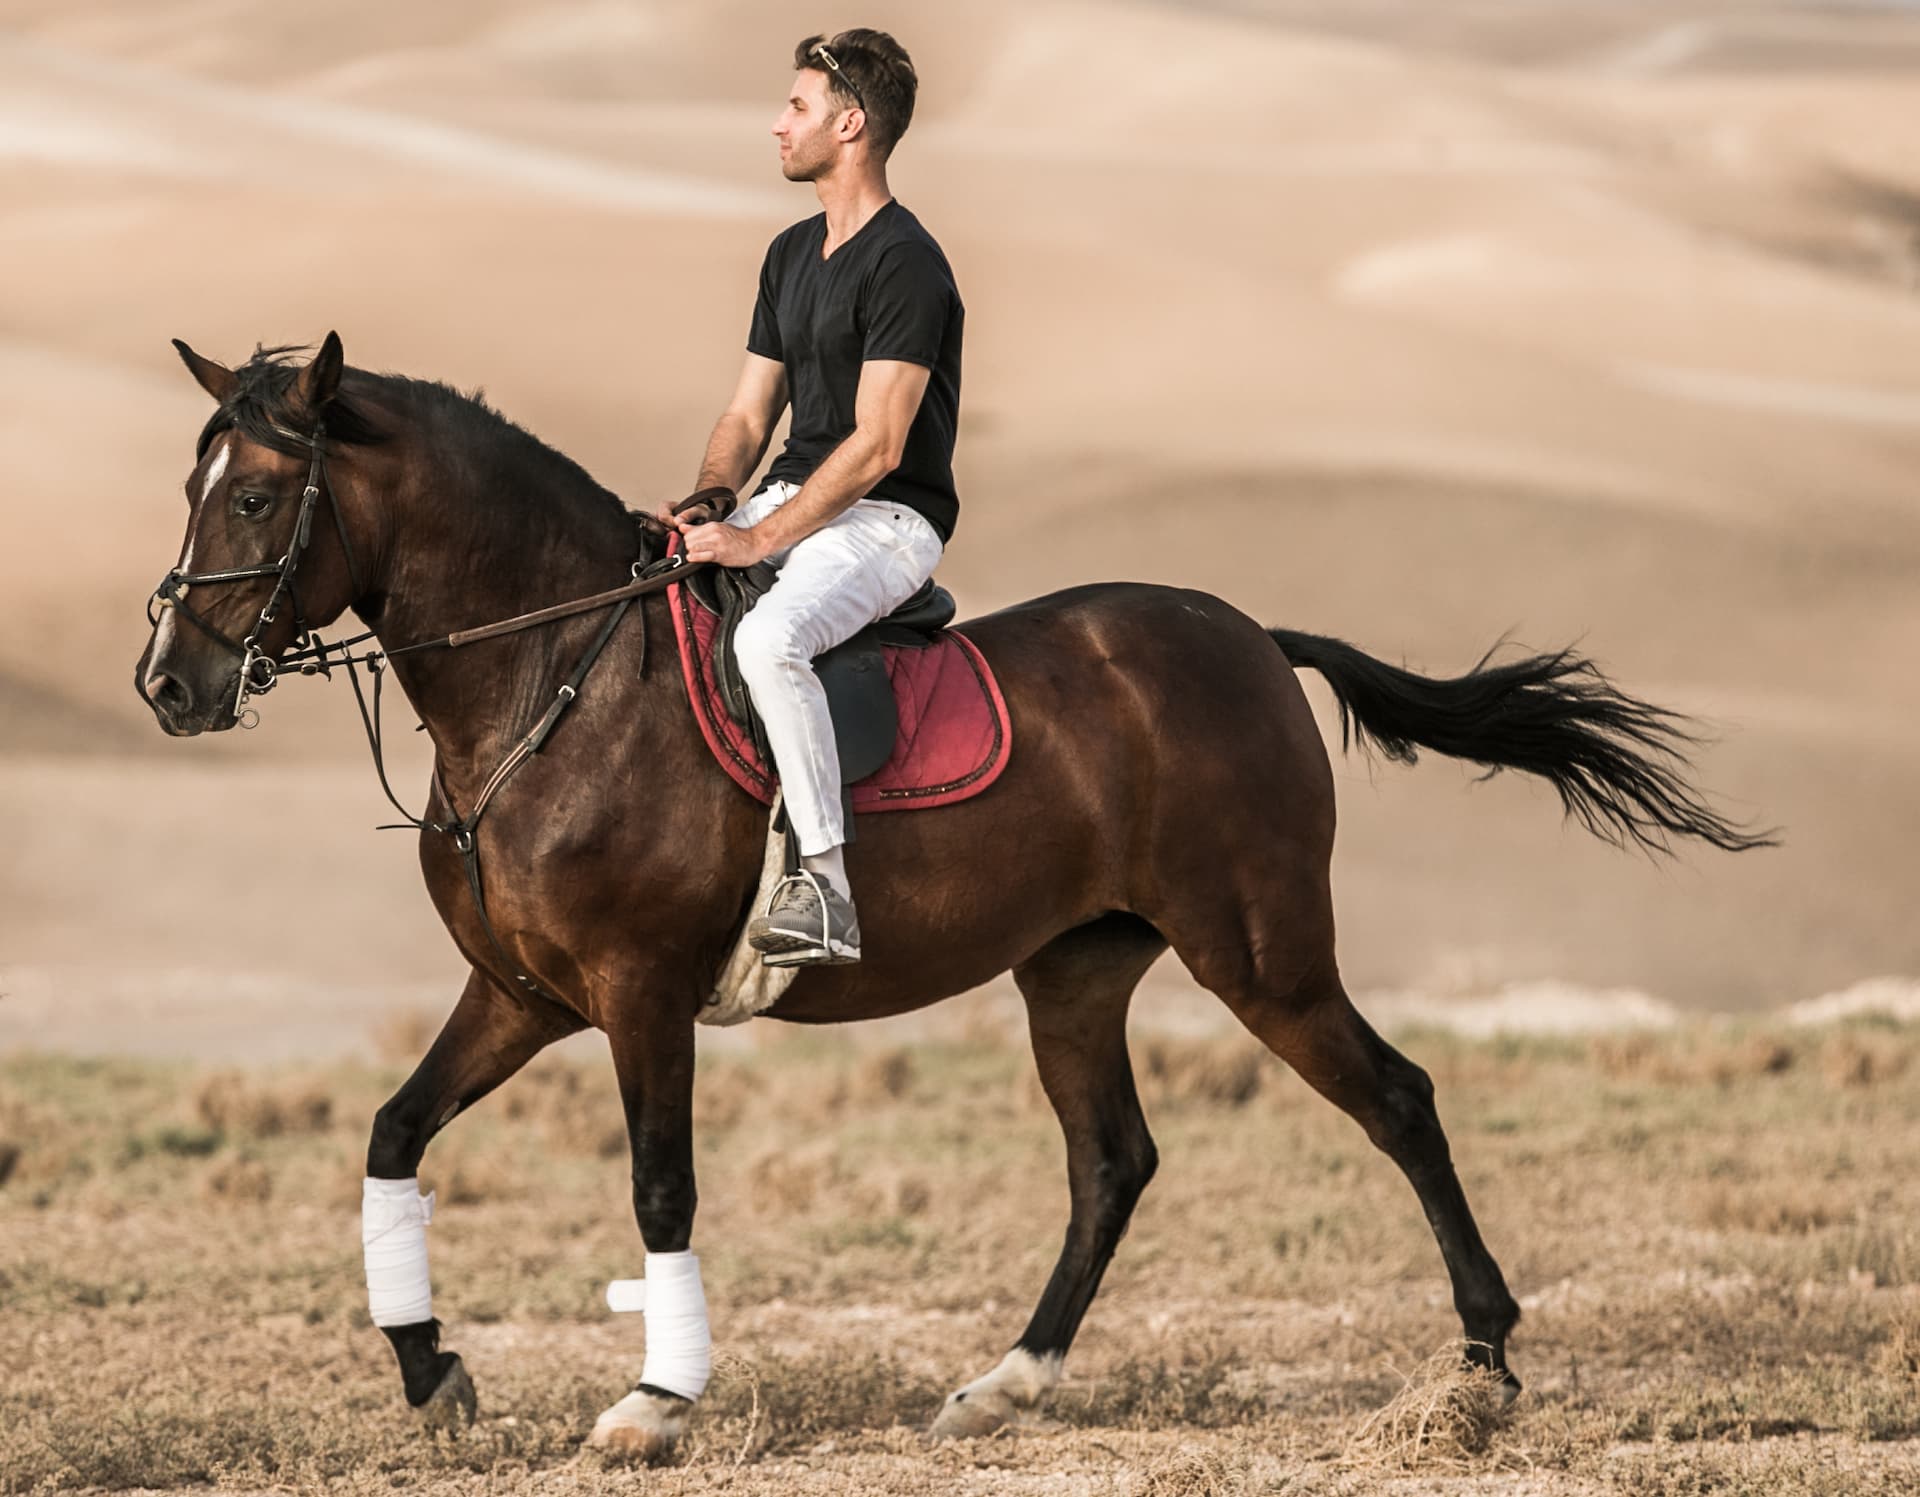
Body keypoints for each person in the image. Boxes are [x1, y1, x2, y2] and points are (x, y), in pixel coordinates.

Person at [665, 29, 964, 966]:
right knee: (652, 594)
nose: (777, 124)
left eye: (796, 107)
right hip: (791, 502)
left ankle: (825, 887)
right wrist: (714, 503)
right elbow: (749, 414)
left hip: (885, 521)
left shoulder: (907, 263)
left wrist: (757, 546)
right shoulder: (790, 252)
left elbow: (876, 446)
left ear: (850, 125)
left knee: (767, 635)